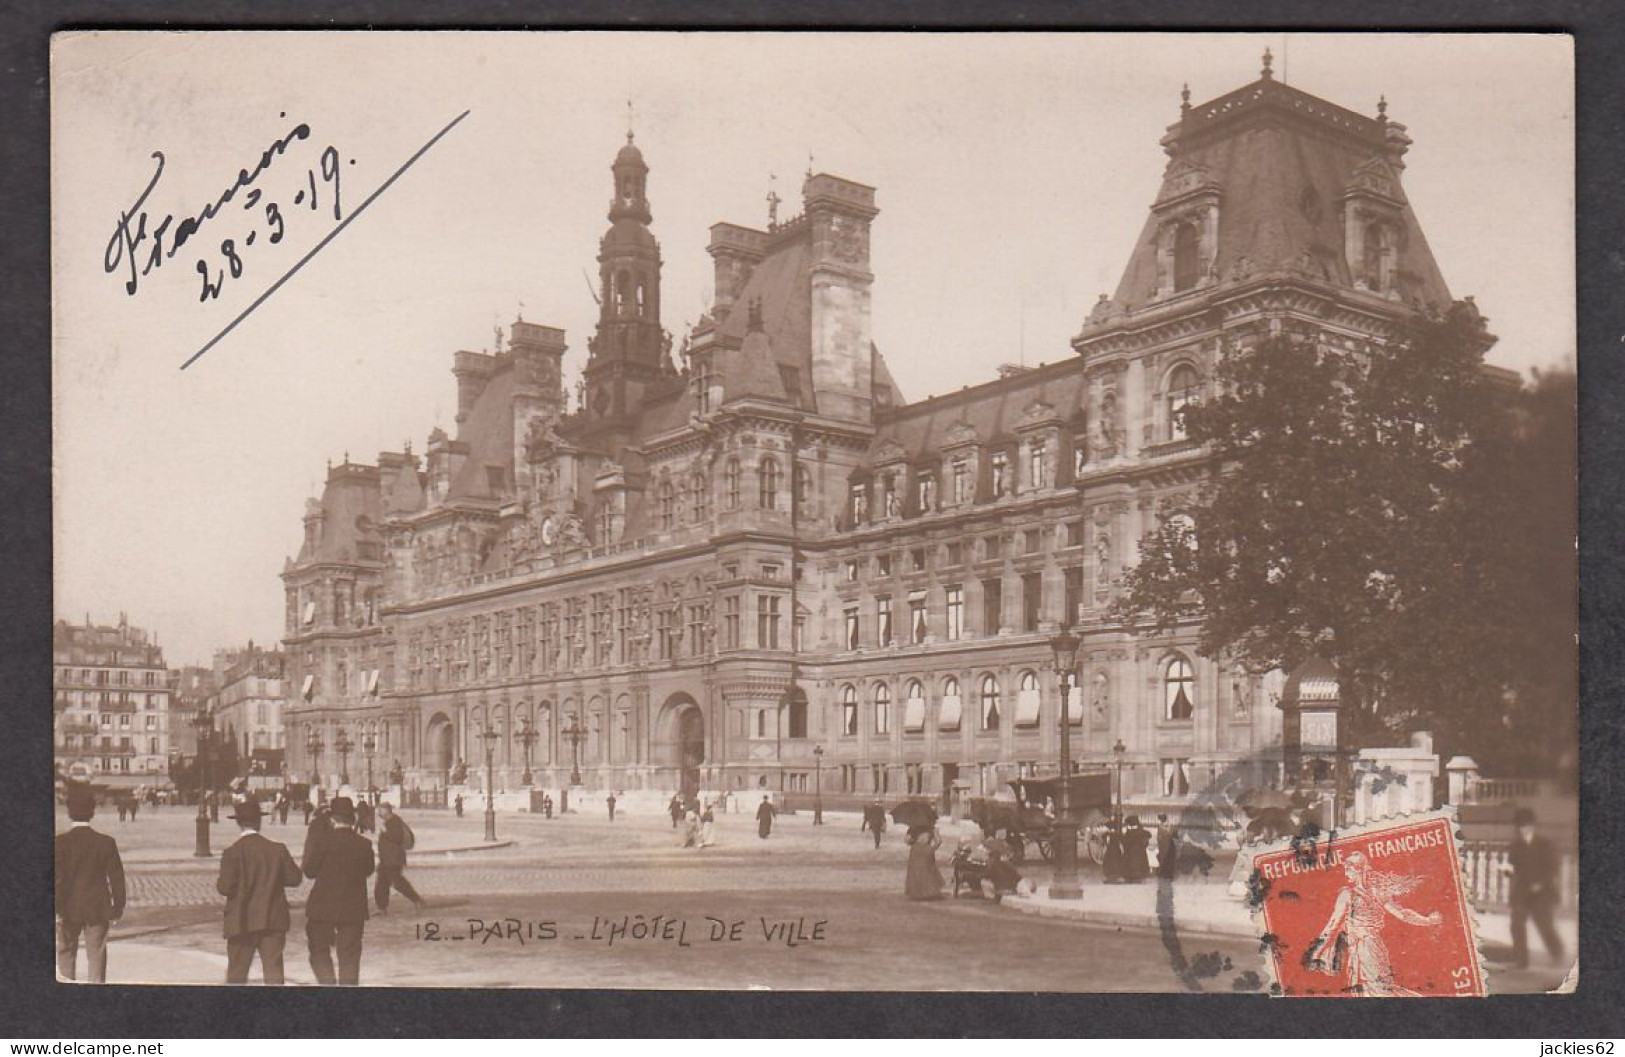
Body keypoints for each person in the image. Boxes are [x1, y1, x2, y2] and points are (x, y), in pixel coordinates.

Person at [1308, 850, 1442, 996]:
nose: (1346, 873)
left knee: (1377, 992)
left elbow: (1332, 926)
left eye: (1348, 868)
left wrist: (1315, 953)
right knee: (1378, 990)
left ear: (1356, 869)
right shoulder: (1376, 892)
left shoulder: (1347, 894)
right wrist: (1428, 920)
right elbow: (1403, 914)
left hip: (1363, 951)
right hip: (1374, 947)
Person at [216, 798, 302, 985]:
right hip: (272, 920)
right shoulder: (277, 849)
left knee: (237, 974)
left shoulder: (232, 853)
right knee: (274, 973)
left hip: (241, 921)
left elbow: (224, 887)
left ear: (238, 823)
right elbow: (295, 879)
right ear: (259, 822)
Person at [55, 786, 125, 982]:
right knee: (97, 955)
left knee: (66, 952)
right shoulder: (106, 842)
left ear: (69, 813)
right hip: (97, 906)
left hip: (69, 907)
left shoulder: (60, 843)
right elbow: (117, 878)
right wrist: (118, 907)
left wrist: (57, 907)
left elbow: (58, 879)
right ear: (92, 813)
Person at [302, 797, 374, 985]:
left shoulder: (322, 842)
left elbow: (308, 871)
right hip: (353, 907)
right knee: (349, 956)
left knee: (318, 950)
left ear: (332, 820)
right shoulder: (364, 844)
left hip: (322, 905)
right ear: (352, 819)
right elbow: (368, 870)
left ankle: (327, 984)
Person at [1502, 807, 1566, 969]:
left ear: (1533, 826)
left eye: (1526, 826)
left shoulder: (1545, 844)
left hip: (1543, 893)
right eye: (1520, 826)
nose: (1523, 829)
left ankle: (1557, 952)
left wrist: (1541, 884)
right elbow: (1510, 870)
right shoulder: (1515, 846)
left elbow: (1554, 869)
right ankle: (1521, 961)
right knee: (1516, 924)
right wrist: (1506, 871)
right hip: (1522, 892)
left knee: (1544, 925)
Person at [374, 802, 426, 915]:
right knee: (381, 884)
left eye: (380, 810)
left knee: (397, 882)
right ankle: (381, 908)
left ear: (387, 810)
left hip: (393, 859)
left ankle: (417, 900)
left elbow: (397, 837)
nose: (378, 812)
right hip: (386, 859)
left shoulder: (395, 821)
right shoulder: (389, 822)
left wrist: (384, 831)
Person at [904, 825, 945, 901]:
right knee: (928, 870)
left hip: (915, 850)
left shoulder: (913, 828)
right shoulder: (932, 828)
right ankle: (929, 892)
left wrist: (913, 841)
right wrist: (933, 848)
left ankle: (917, 892)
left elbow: (906, 840)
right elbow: (938, 841)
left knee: (915, 871)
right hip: (927, 849)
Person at [1122, 815, 1152, 883]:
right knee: (1139, 864)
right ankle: (1138, 877)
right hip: (1140, 852)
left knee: (1132, 864)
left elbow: (1125, 841)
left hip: (1131, 852)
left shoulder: (1129, 832)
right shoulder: (1142, 831)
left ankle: (1132, 877)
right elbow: (1147, 837)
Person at [1102, 816, 1125, 883]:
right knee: (1116, 862)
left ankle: (1110, 876)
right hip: (1116, 850)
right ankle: (1116, 876)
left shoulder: (1107, 835)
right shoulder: (1117, 834)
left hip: (1110, 851)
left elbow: (1106, 843)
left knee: (1109, 862)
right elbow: (1121, 843)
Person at [1155, 813, 1178, 880]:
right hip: (1168, 845)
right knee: (1168, 860)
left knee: (1165, 860)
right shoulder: (1169, 826)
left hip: (1165, 846)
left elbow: (1160, 838)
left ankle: (1165, 874)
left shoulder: (1162, 827)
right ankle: (1167, 874)